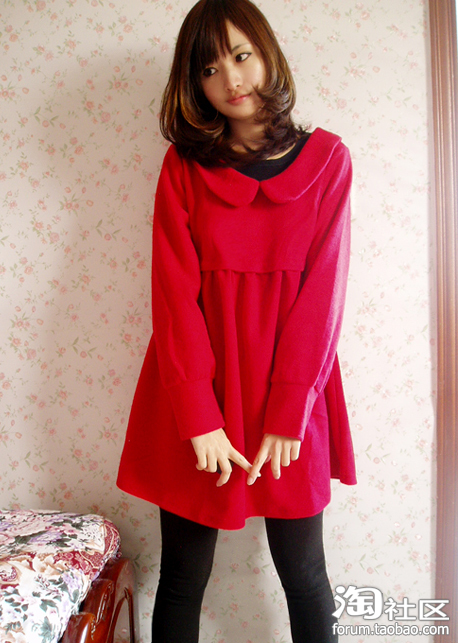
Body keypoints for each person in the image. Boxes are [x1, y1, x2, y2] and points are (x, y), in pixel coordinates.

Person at [117, 0, 356, 641]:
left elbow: (324, 297)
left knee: (305, 576)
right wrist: (199, 416)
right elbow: (173, 295)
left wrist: (289, 409)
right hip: (198, 389)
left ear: (267, 54)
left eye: (241, 56)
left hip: (292, 392)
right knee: (182, 578)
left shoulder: (328, 160)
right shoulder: (184, 166)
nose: (230, 79)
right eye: (208, 69)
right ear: (193, 83)